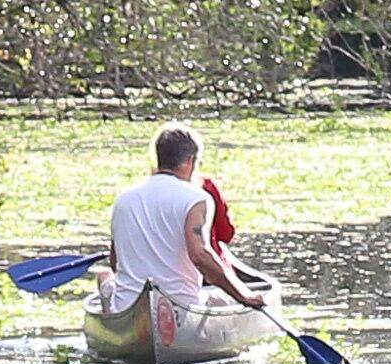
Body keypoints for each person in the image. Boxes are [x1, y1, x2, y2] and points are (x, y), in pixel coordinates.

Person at [102, 124, 268, 321]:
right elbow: (200, 255)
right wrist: (243, 294)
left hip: (129, 308)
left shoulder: (124, 198)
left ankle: (111, 315)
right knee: (223, 300)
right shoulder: (197, 198)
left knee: (104, 277)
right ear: (190, 160)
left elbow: (116, 262)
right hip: (182, 307)